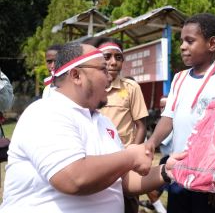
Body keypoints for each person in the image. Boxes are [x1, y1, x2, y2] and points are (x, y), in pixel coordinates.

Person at [0, 42, 183, 212]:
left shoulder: (103, 122)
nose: (110, 77)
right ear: (76, 75)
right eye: (103, 69)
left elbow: (125, 181)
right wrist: (130, 156)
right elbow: (73, 178)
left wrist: (166, 171)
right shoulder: (45, 113)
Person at [146, 13, 215, 213]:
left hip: (209, 178)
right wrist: (151, 143)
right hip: (178, 173)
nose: (182, 46)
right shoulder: (179, 79)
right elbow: (168, 118)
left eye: (190, 41)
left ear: (211, 44)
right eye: (181, 41)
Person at [83, 37, 148, 213]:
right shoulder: (87, 88)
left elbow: (141, 125)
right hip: (98, 160)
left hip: (125, 162)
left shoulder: (131, 87)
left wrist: (132, 154)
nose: (113, 62)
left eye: (118, 57)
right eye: (107, 57)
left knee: (128, 203)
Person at [140, 96, 172, 213]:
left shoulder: (169, 123)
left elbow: (156, 143)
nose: (162, 109)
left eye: (165, 106)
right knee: (151, 190)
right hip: (165, 160)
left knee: (149, 188)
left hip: (171, 161)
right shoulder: (163, 122)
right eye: (161, 106)